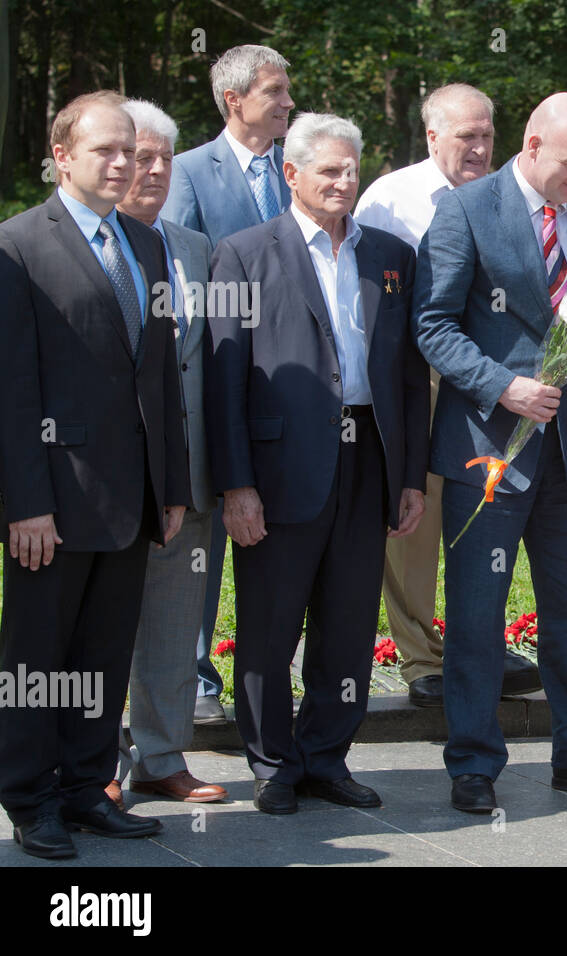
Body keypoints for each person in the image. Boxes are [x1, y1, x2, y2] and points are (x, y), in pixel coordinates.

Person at [414, 92, 567, 814]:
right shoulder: (465, 208)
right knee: (479, 615)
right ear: (533, 145)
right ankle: (475, 764)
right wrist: (502, 386)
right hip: (488, 449)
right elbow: (432, 322)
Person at [205, 113, 430, 815]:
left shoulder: (391, 254)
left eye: (350, 169)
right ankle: (273, 764)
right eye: (328, 170)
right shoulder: (242, 254)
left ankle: (327, 756)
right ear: (291, 174)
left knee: (349, 620)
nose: (343, 181)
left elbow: (407, 374)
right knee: (272, 625)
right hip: (278, 469)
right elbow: (224, 381)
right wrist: (237, 484)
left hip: (369, 459)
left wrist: (411, 477)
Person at [0, 91, 190, 858]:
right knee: (37, 660)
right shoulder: (17, 246)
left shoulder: (144, 246)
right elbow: (11, 390)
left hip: (132, 497)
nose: (124, 163)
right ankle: (29, 797)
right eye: (106, 150)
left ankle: (87, 788)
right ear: (61, 155)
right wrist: (25, 504)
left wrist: (171, 483)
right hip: (52, 503)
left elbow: (161, 378)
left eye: (132, 151)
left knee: (102, 655)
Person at [354, 84, 540, 706]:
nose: (482, 148)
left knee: (481, 505)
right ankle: (420, 657)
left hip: (491, 374)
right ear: (432, 136)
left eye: (489, 135)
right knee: (416, 511)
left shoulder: (509, 195)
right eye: (468, 137)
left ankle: (475, 642)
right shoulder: (390, 199)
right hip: (419, 373)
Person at [161, 43, 295, 727]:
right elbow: (183, 287)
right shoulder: (187, 174)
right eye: (274, 91)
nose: (288, 102)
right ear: (232, 99)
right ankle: (192, 678)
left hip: (291, 392)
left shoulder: (296, 170)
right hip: (218, 385)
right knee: (203, 550)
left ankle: (268, 687)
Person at [112, 99, 226, 806]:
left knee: (175, 623)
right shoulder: (79, 247)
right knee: (99, 630)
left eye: (162, 158)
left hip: (190, 479)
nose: (151, 170)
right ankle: (99, 760)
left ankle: (161, 756)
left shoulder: (195, 249)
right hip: (111, 479)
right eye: (138, 156)